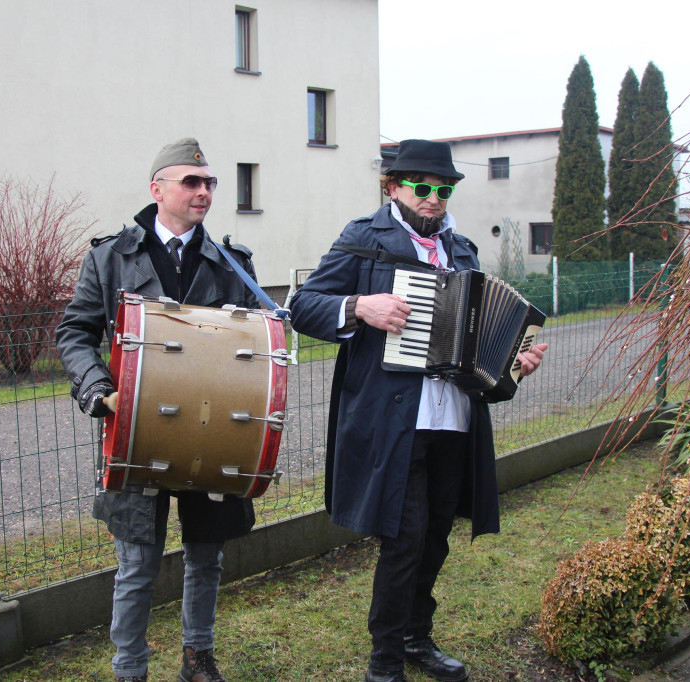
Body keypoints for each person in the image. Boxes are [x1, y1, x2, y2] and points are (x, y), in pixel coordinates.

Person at [289, 139, 547, 682]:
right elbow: (303, 306)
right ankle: (384, 663)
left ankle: (416, 637)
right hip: (394, 420)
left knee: (435, 536)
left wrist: (516, 362)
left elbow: (482, 341)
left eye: (444, 189)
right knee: (403, 540)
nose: (434, 197)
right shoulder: (365, 238)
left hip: (453, 417)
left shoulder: (463, 249)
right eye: (423, 187)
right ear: (393, 187)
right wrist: (360, 306)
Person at [56, 138, 261, 682]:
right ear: (157, 189)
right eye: (191, 182)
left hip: (212, 431)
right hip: (137, 431)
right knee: (138, 564)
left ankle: (198, 659)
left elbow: (255, 346)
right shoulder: (110, 257)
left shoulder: (233, 264)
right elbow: (74, 332)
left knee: (206, 556)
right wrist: (100, 391)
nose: (203, 191)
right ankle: (130, 670)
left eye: (209, 182)